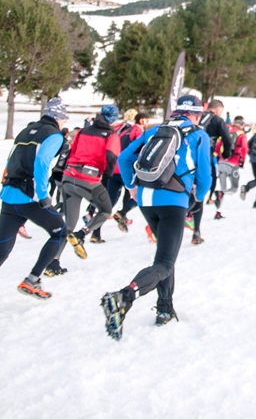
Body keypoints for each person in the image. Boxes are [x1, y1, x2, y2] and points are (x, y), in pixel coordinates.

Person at [100, 95, 212, 340]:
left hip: (146, 200)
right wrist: (198, 198)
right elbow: (205, 176)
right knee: (165, 262)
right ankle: (124, 297)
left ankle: (164, 308)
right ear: (195, 114)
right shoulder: (198, 134)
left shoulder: (155, 130)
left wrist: (131, 186)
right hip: (174, 201)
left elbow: (125, 158)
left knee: (164, 257)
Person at [0, 98, 68, 326]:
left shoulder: (25, 131)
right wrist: (43, 195)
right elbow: (42, 163)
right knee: (60, 232)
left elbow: (10, 159)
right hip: (30, 197)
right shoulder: (54, 135)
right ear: (59, 118)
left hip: (10, 196)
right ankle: (33, 278)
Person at [51, 104, 121, 263]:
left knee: (68, 225)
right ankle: (82, 234)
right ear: (114, 119)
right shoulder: (111, 136)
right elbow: (111, 157)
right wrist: (106, 176)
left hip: (69, 178)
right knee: (105, 210)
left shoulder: (83, 131)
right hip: (89, 180)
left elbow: (71, 152)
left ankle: (53, 261)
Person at [190, 99, 232, 244]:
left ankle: (185, 215)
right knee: (201, 190)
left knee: (186, 186)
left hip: (187, 156)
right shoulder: (218, 120)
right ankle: (196, 231)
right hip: (205, 157)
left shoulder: (196, 116)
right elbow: (227, 139)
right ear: (219, 109)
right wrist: (226, 154)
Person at [213, 116, 248, 219]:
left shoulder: (226, 131)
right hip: (233, 163)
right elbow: (244, 148)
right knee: (234, 188)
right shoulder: (241, 134)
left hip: (221, 163)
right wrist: (242, 161)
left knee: (222, 187)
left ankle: (218, 212)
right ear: (241, 123)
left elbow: (218, 146)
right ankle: (221, 193)